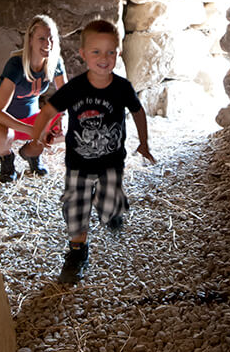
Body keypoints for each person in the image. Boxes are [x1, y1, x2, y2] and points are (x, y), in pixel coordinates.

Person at [30, 18, 155, 285]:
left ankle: (110, 205)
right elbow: (49, 110)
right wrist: (37, 138)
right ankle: (77, 253)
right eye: (96, 52)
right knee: (76, 209)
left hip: (111, 164)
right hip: (79, 164)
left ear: (118, 54)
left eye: (110, 52)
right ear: (83, 54)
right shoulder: (74, 88)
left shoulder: (122, 88)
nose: (104, 58)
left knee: (109, 207)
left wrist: (143, 142)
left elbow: (138, 111)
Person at [0, 14, 66, 182]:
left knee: (74, 124)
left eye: (51, 38)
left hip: (35, 120)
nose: (47, 44)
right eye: (41, 38)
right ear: (30, 40)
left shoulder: (55, 61)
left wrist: (63, 119)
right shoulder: (16, 65)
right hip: (9, 124)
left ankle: (31, 153)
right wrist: (32, 131)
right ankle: (7, 160)